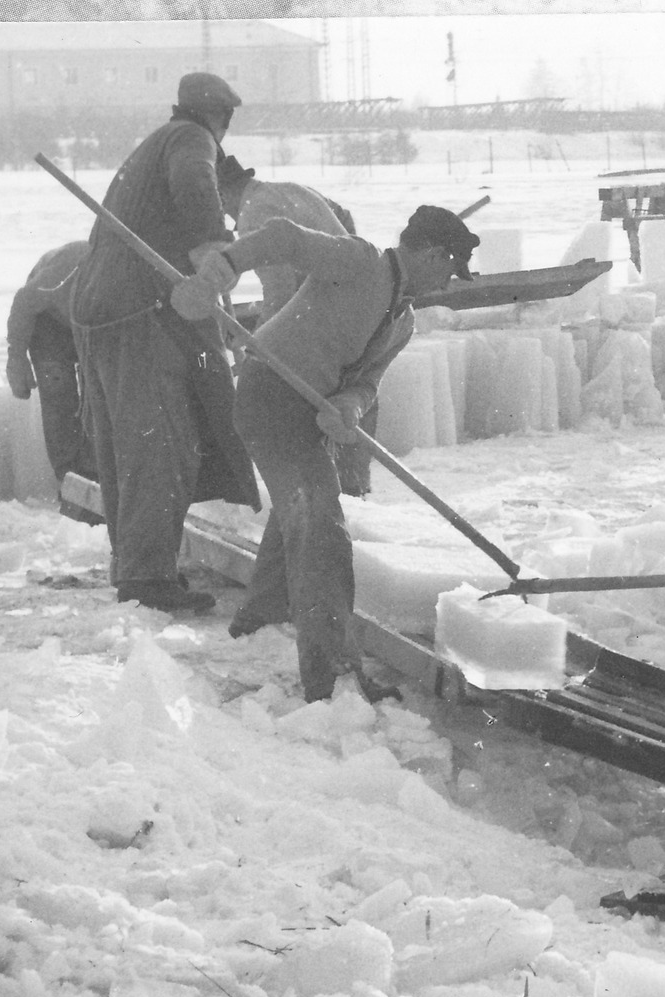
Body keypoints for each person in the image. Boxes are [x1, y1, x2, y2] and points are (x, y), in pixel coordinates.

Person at [171, 205, 481, 702]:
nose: (447, 283)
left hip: (307, 412)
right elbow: (281, 236)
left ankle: (262, 618)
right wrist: (222, 269)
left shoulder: (403, 323)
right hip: (270, 393)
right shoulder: (361, 262)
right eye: (449, 267)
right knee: (321, 528)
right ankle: (332, 678)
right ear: (430, 252)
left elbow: (366, 384)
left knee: (301, 512)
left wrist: (349, 406)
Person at [69, 71, 258, 615]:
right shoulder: (189, 139)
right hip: (139, 310)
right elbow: (196, 183)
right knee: (161, 443)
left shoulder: (150, 146)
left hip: (101, 311)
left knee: (126, 443)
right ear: (218, 115)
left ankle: (132, 563)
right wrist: (210, 249)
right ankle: (147, 578)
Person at [215, 154, 373, 496]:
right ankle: (354, 492)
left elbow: (279, 290)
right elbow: (344, 218)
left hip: (325, 320)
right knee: (347, 408)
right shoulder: (291, 189)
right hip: (353, 308)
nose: (225, 217)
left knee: (316, 414)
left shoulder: (253, 213)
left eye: (221, 207)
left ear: (223, 195)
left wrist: (260, 347)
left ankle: (339, 498)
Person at [5, 240, 95, 485]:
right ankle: (67, 480)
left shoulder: (128, 282)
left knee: (98, 400)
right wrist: (16, 358)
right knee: (59, 401)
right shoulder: (63, 271)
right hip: (47, 323)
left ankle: (97, 475)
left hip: (92, 327)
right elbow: (24, 303)